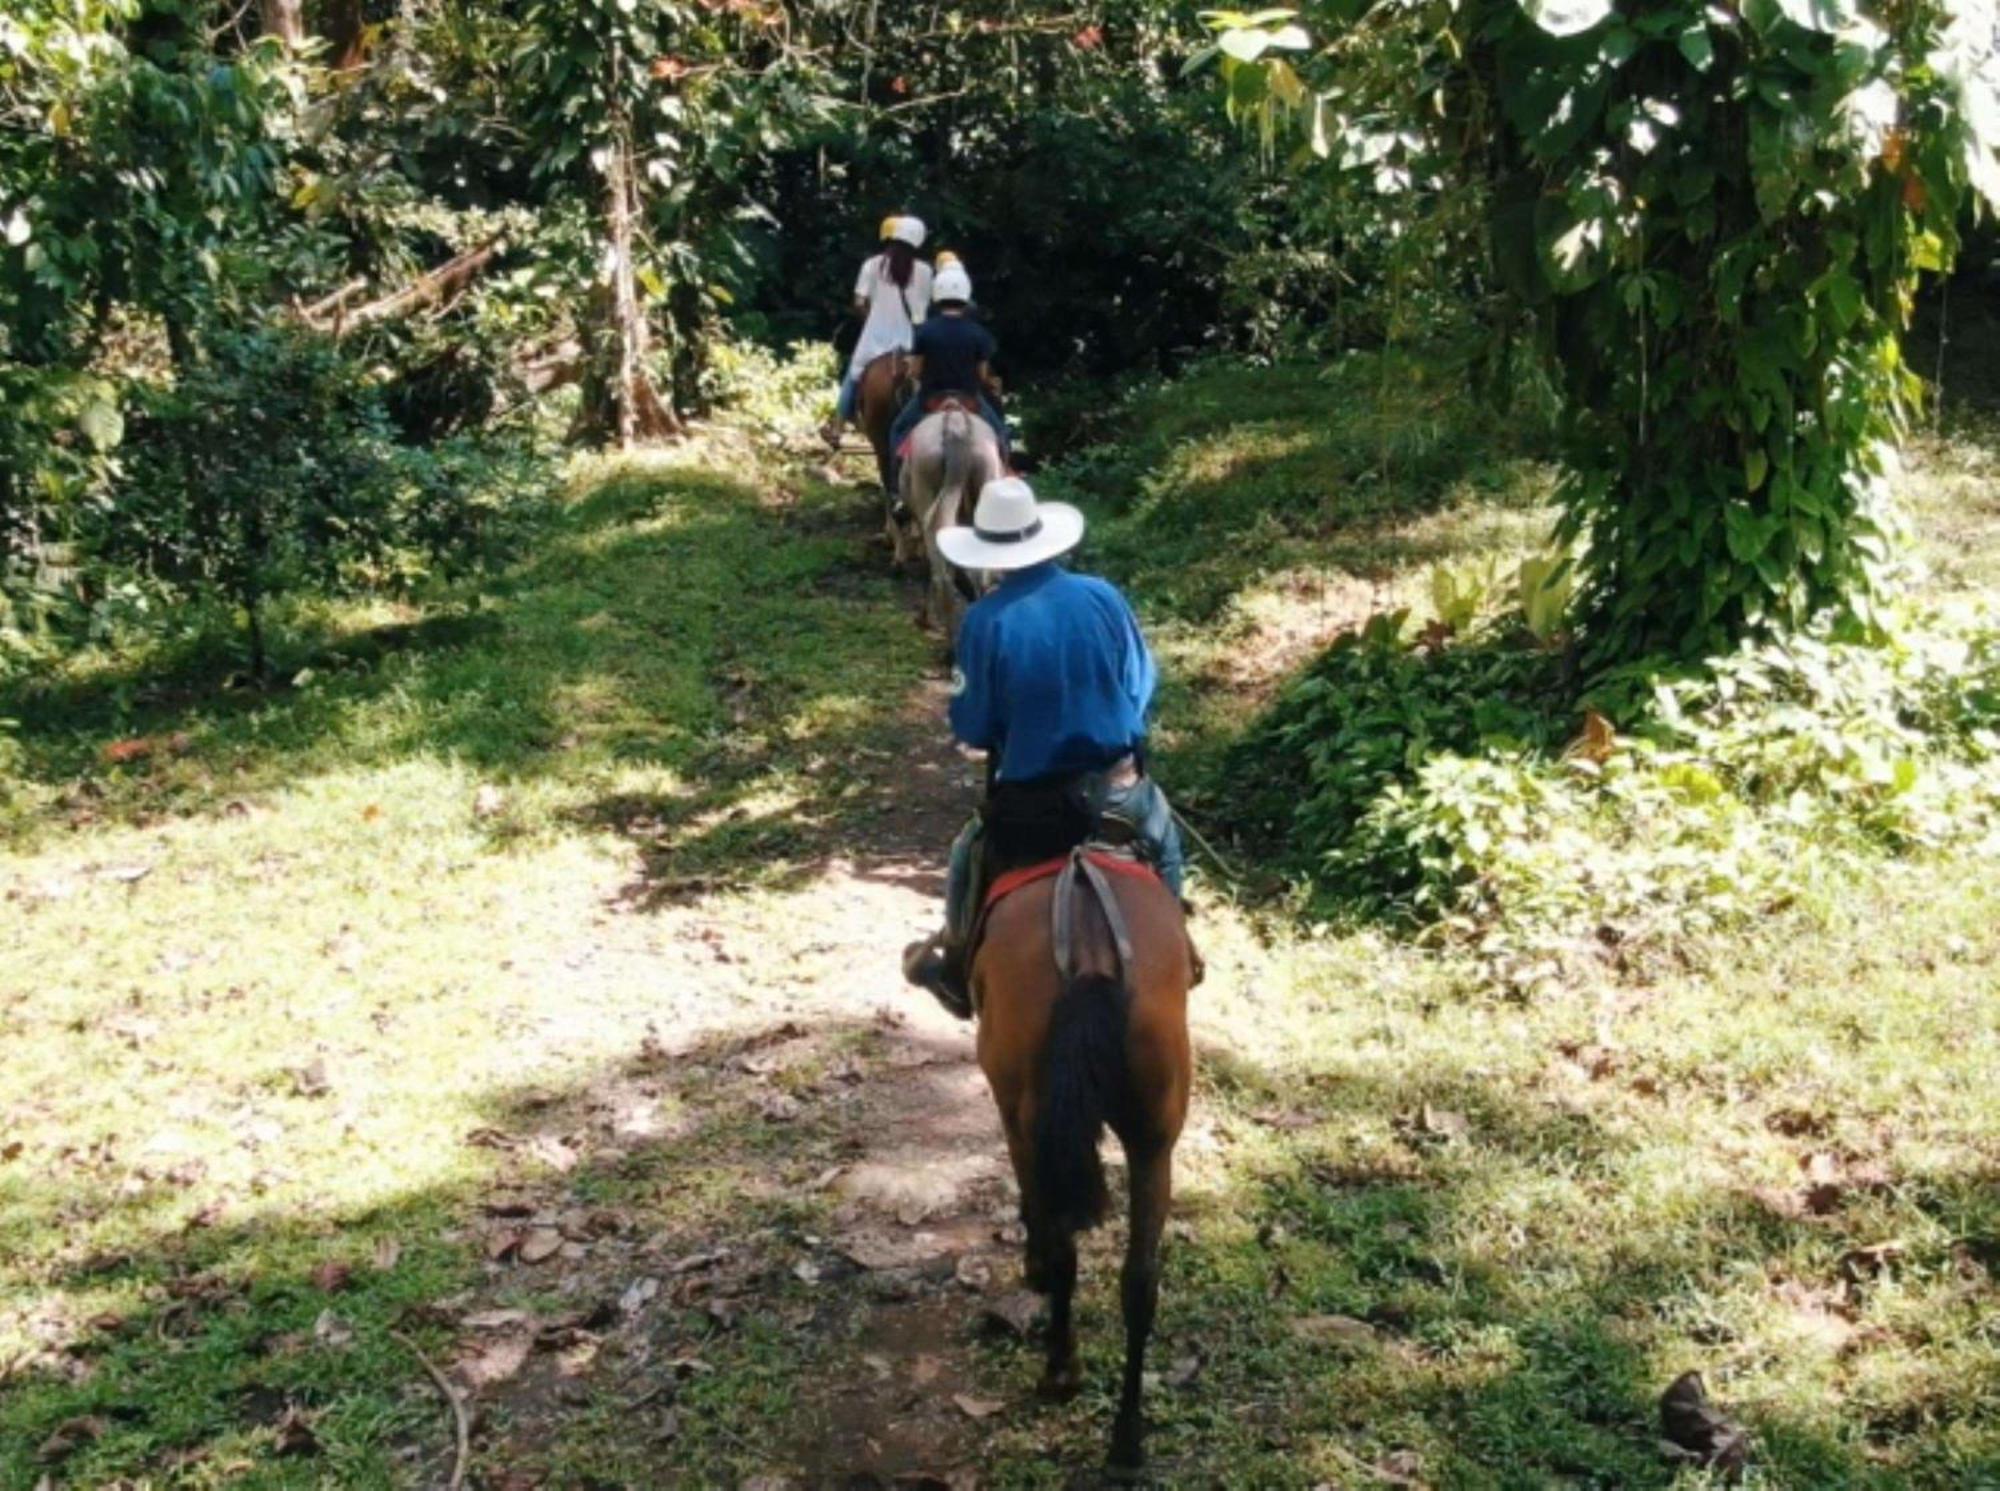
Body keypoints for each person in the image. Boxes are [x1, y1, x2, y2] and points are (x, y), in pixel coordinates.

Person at [902, 477, 1188, 1019]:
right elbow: (1141, 683)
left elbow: (975, 725)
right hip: (1118, 793)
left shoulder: (983, 620)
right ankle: (1181, 955)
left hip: (1031, 806)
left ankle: (958, 969)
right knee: (1168, 847)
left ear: (989, 550)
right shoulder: (1102, 596)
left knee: (968, 856)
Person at [884, 260, 1011, 492]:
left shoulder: (925, 331)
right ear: (965, 295)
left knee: (898, 430)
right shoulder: (978, 333)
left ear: (937, 295)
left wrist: (911, 371)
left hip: (930, 399)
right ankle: (1004, 475)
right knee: (1001, 431)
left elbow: (917, 371)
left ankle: (896, 489)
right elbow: (982, 375)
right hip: (970, 400)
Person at [822, 215, 933, 447]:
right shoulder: (924, 271)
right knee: (930, 379)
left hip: (874, 338)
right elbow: (922, 310)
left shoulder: (872, 265)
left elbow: (859, 302)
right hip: (910, 340)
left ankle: (838, 425)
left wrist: (870, 318)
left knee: (853, 375)